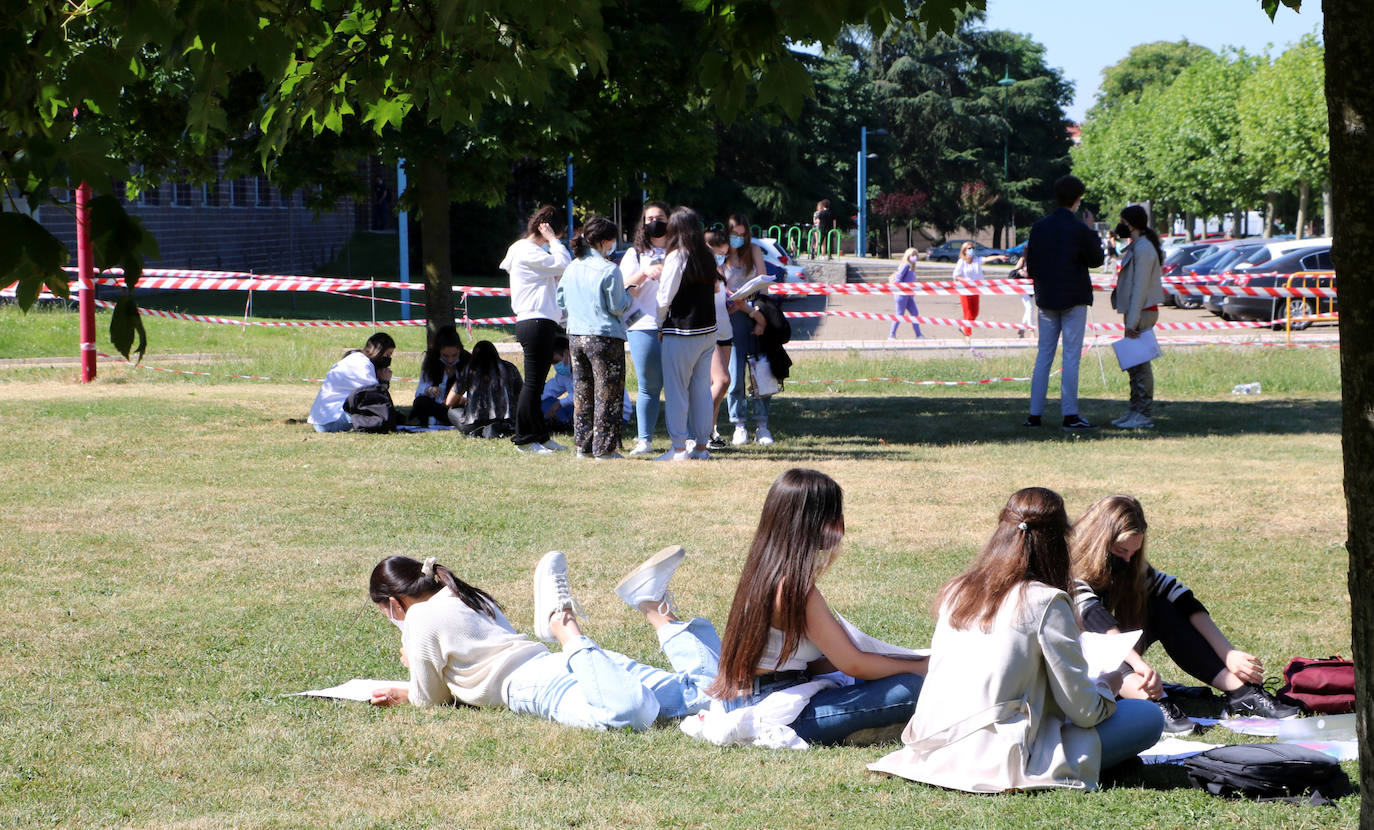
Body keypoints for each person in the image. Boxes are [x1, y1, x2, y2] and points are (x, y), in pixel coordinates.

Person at [869, 487, 1164, 792]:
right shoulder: (1046, 601)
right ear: (1059, 542)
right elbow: (1084, 711)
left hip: (934, 746)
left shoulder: (956, 590)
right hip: (1000, 755)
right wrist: (1109, 683)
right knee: (1147, 716)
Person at [367, 547, 721, 733]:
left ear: (395, 604)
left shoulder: (417, 618)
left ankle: (562, 623)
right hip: (571, 664)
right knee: (715, 693)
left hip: (532, 686)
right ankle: (653, 606)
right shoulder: (463, 594)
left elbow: (432, 701)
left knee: (632, 714)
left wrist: (414, 666)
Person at [708, 469, 927, 745]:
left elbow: (823, 662)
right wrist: (921, 665)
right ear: (812, 523)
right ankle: (864, 730)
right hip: (781, 710)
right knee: (911, 690)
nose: (841, 527)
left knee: (889, 681)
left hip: (759, 695)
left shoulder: (765, 572)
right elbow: (853, 663)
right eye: (835, 517)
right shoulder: (794, 589)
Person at [1069, 495, 1300, 734]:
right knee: (1110, 649)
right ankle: (1152, 703)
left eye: (1134, 553)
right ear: (1099, 542)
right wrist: (1140, 666)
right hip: (1074, 656)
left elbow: (1181, 598)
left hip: (1108, 647)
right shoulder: (1068, 565)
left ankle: (1241, 692)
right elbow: (1095, 620)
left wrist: (1228, 653)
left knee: (1161, 605)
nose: (1128, 560)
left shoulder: (1129, 564)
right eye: (1121, 551)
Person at [557, 216, 646, 459]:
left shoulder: (572, 267)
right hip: (604, 338)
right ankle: (604, 448)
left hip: (576, 336)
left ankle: (583, 446)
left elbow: (560, 300)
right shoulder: (609, 270)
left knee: (582, 392)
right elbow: (618, 306)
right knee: (608, 394)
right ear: (606, 241)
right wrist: (629, 297)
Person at [1024, 175, 1105, 430]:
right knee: (1071, 356)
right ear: (1078, 200)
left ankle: (1034, 415)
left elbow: (1032, 267)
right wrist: (1091, 230)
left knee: (1043, 355)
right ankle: (1070, 414)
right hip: (1074, 298)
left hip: (1047, 298)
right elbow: (1096, 260)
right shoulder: (1080, 229)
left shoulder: (1039, 227)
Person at [500, 205, 572, 454]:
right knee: (532, 384)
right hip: (536, 322)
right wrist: (553, 240)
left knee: (537, 384)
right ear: (547, 227)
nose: (557, 240)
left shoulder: (528, 252)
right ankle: (524, 438)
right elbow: (564, 264)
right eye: (557, 233)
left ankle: (540, 435)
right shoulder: (527, 251)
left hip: (540, 322)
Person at [654, 207, 719, 461]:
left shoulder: (677, 256)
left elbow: (663, 298)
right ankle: (701, 447)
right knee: (701, 390)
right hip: (707, 331)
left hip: (681, 331)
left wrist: (659, 324)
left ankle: (678, 447)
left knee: (677, 391)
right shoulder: (708, 255)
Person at [706, 229, 766, 448]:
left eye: (723, 254)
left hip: (724, 331)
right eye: (717, 254)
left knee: (718, 384)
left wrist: (738, 303)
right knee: (723, 380)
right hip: (708, 333)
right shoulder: (700, 271)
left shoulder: (718, 274)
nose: (720, 258)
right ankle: (699, 429)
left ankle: (710, 431)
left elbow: (724, 304)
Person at [620, 202, 671, 456]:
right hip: (643, 326)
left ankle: (682, 439)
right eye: (649, 218)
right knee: (648, 386)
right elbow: (624, 286)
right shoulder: (635, 254)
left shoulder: (679, 251)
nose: (654, 222)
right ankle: (644, 440)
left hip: (675, 326)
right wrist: (645, 272)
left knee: (676, 386)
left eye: (660, 217)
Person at [1110, 206, 1166, 430]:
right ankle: (1134, 409)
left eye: (1123, 221)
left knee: (1140, 365)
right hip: (1137, 312)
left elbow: (1139, 288)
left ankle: (1143, 412)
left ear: (1131, 223)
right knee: (1134, 364)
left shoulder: (1143, 248)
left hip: (1142, 312)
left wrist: (1131, 323)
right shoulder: (1138, 247)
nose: (1120, 225)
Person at [720, 213, 774, 446]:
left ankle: (762, 425)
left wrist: (758, 315)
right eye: (735, 235)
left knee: (760, 372)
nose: (739, 240)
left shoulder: (754, 251)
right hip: (732, 319)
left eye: (743, 235)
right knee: (734, 376)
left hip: (755, 317)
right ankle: (738, 424)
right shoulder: (720, 255)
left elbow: (765, 287)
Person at [307, 332, 395, 432]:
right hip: (330, 423)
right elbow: (376, 398)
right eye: (387, 354)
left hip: (323, 420)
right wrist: (384, 382)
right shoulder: (363, 365)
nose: (388, 359)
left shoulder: (355, 358)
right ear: (378, 351)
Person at [448, 340, 521, 438]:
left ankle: (481, 429)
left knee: (451, 411)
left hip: (475, 422)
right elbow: (521, 395)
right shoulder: (510, 368)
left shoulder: (470, 370)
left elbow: (449, 402)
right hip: (508, 421)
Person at [409, 325, 469, 427]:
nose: (450, 360)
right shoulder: (430, 361)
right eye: (445, 356)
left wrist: (461, 398)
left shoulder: (467, 361)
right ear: (438, 351)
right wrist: (429, 390)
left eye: (454, 355)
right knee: (420, 402)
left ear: (460, 350)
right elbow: (420, 390)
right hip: (436, 405)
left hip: (456, 406)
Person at [952, 242, 1008, 339]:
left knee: (975, 313)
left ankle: (964, 326)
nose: (971, 250)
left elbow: (986, 259)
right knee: (968, 312)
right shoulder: (962, 262)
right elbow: (956, 276)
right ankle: (968, 334)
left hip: (976, 290)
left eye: (972, 248)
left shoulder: (977, 260)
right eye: (969, 248)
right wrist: (966, 281)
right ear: (964, 250)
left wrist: (998, 256)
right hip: (964, 290)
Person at [888, 248, 923, 339]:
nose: (914, 257)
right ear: (908, 256)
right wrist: (902, 288)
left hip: (909, 296)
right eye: (912, 255)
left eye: (916, 255)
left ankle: (919, 335)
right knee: (899, 315)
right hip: (902, 295)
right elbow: (898, 279)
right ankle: (891, 335)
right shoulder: (906, 266)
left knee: (915, 313)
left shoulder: (911, 267)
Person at [540, 339, 574, 430]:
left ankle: (562, 423)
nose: (555, 366)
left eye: (556, 361)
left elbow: (583, 396)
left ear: (567, 353)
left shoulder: (587, 370)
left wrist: (559, 403)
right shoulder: (564, 375)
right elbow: (548, 390)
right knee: (544, 403)